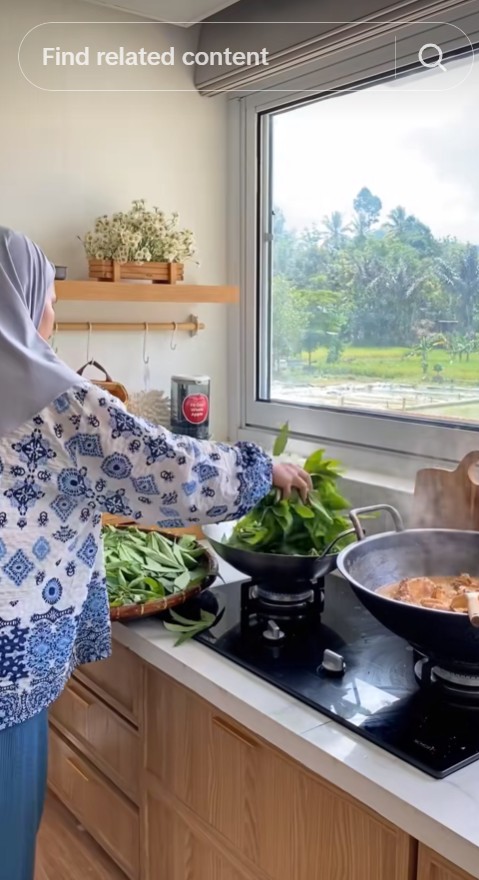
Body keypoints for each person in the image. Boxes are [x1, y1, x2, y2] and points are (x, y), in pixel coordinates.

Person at [0, 225, 311, 880]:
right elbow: (162, 469)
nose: (53, 311)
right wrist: (263, 471)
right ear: (23, 298)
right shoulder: (52, 400)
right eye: (48, 294)